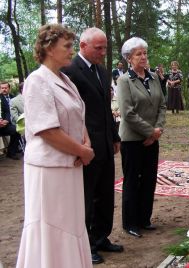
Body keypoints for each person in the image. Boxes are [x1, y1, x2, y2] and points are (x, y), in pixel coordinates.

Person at [16, 24, 95, 268]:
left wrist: (86, 143)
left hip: (69, 165)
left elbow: (77, 116)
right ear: (49, 49)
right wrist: (81, 151)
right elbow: (47, 130)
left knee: (71, 223)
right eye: (68, 46)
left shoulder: (66, 80)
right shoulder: (37, 81)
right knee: (52, 224)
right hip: (48, 168)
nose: (71, 51)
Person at [63, 27, 123, 265]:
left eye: (105, 47)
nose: (102, 52)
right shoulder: (70, 70)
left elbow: (105, 108)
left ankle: (101, 237)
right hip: (86, 145)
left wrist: (115, 136)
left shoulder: (101, 70)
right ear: (83, 46)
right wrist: (80, 145)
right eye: (98, 48)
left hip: (106, 143)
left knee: (105, 194)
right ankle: (86, 244)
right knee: (86, 197)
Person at [118, 37, 166, 238]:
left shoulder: (154, 77)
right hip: (132, 140)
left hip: (152, 138)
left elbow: (162, 106)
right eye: (139, 54)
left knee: (148, 180)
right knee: (132, 181)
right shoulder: (124, 80)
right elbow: (127, 113)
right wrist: (149, 132)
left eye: (145, 53)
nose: (144, 57)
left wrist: (157, 131)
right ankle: (130, 223)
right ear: (129, 58)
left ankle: (144, 219)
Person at [0, 84, 22, 160]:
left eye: (6, 88)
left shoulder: (13, 97)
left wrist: (6, 120)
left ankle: (11, 152)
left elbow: (8, 112)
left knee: (17, 130)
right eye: (2, 88)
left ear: (9, 88)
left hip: (6, 123)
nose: (4, 89)